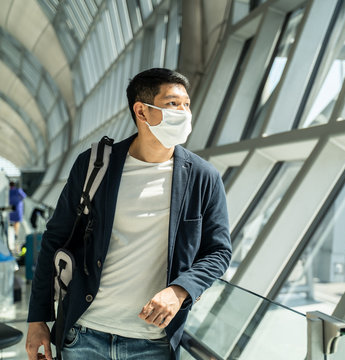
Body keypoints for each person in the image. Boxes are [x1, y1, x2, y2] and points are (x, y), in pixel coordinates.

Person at [25, 68, 232, 360]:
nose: (185, 113)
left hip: (152, 343)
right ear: (142, 111)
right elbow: (55, 238)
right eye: (173, 104)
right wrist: (37, 320)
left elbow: (219, 252)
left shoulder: (202, 177)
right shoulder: (96, 166)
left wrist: (180, 290)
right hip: (84, 335)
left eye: (187, 104)